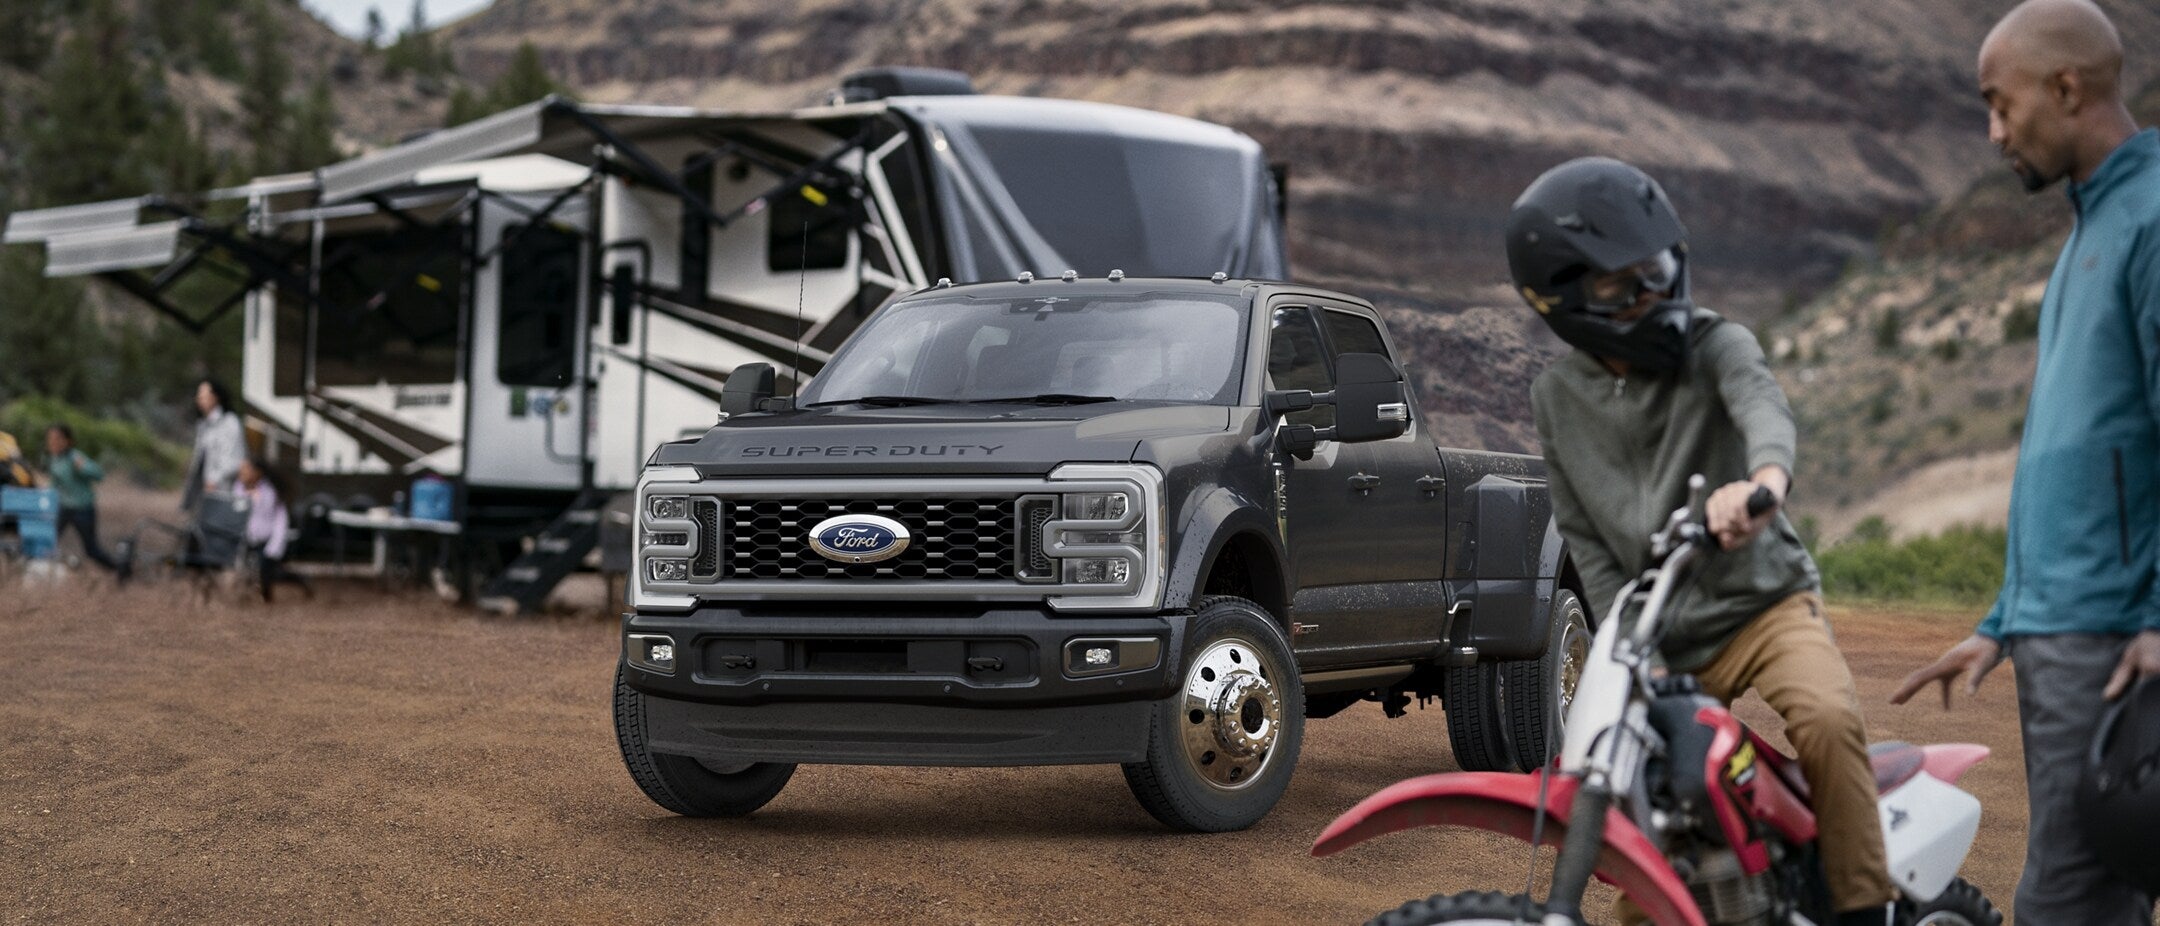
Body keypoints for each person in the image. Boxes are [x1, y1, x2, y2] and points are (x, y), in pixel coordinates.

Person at [1508, 157, 1896, 925]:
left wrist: (1764, 488)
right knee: (1643, 796)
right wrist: (1632, 645)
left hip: (1764, 604)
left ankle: (1864, 908)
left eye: (1657, 270)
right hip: (1665, 636)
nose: (1654, 294)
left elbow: (1763, 408)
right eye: (1625, 284)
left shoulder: (1717, 342)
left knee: (1825, 718)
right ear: (1567, 298)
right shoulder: (1557, 400)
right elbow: (1585, 538)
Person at [1892, 1, 2160, 921]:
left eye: (2002, 106)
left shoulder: (2153, 220)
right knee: (2086, 890)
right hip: (2065, 632)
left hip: (2117, 643)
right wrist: (2004, 621)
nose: (1994, 132)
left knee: (2071, 896)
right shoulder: (2089, 234)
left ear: (2067, 87)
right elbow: (2076, 459)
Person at [44, 424, 123, 576]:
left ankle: (118, 569)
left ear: (68, 441)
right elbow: (54, 484)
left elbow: (98, 474)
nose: (53, 443)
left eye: (58, 439)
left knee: (91, 549)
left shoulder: (75, 457)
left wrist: (83, 468)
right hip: (65, 507)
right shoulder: (54, 459)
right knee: (48, 539)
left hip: (82, 508)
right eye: (50, 439)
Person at [234, 457, 309, 602]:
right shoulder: (238, 488)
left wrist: (275, 544)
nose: (242, 472)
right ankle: (255, 594)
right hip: (249, 537)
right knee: (252, 568)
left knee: (270, 571)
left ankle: (278, 591)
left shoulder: (270, 492)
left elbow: (280, 520)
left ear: (257, 473)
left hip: (269, 538)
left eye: (247, 469)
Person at [183, 379, 246, 515]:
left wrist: (214, 480)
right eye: (199, 396)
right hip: (202, 488)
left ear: (216, 397)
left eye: (204, 396)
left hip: (222, 491)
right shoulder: (204, 425)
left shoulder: (230, 422)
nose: (200, 400)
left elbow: (234, 459)